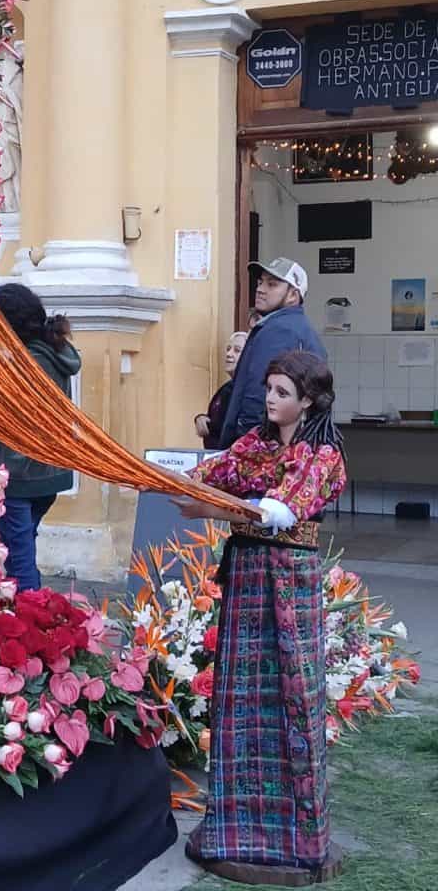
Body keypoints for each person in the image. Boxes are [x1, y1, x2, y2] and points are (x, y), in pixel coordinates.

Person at [175, 351, 346, 883]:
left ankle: (297, 837)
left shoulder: (323, 457)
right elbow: (210, 472)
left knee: (291, 692)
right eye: (269, 389)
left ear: (308, 401)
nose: (270, 400)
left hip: (289, 580)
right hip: (248, 574)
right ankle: (233, 829)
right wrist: (178, 481)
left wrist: (211, 506)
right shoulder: (253, 444)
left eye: (281, 393)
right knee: (240, 695)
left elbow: (278, 511)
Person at [0, 283, 81, 591]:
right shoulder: (53, 353)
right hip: (48, 472)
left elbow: (15, 416)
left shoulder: (28, 363)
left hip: (20, 474)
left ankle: (30, 618)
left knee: (18, 560)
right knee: (22, 546)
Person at [218, 257, 325, 449]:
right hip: (294, 448)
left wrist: (247, 445)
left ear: (293, 295)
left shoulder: (279, 330)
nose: (260, 289)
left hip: (266, 449)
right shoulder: (300, 329)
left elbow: (258, 392)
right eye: (260, 282)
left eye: (272, 284)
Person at [193, 331, 246, 450]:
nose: (229, 354)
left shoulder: (248, 391)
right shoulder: (226, 388)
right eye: (228, 349)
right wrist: (200, 418)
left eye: (237, 350)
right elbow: (216, 418)